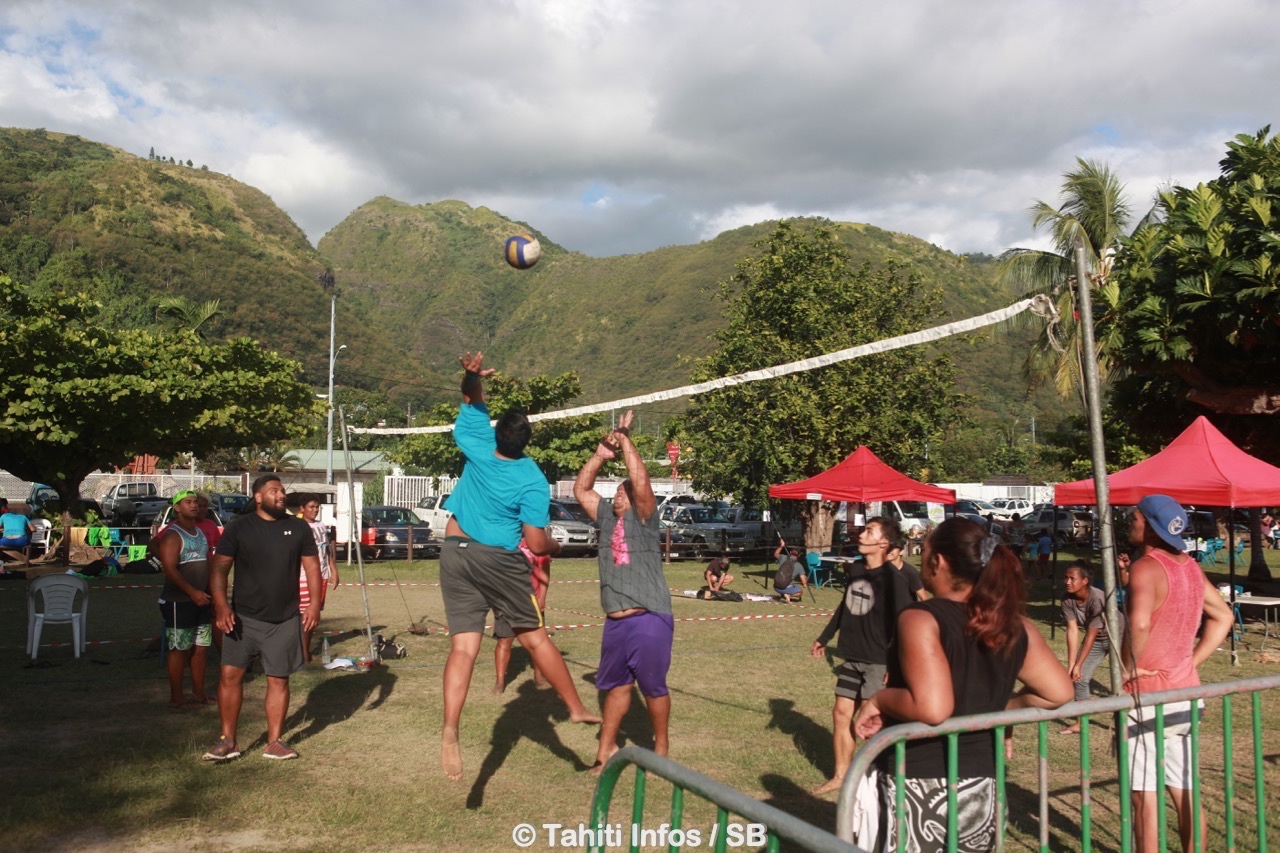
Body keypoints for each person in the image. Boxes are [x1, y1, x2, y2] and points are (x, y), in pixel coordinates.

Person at [854, 518, 1073, 851]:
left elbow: (933, 708)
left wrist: (880, 700)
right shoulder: (1017, 626)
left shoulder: (920, 617)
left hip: (917, 785)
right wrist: (1001, 711)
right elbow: (1058, 692)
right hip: (983, 787)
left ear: (937, 562)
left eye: (925, 552)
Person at [438, 352, 599, 781]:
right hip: (497, 558)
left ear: (497, 432)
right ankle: (577, 708)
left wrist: (472, 375)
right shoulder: (531, 478)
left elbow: (470, 398)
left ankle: (451, 726)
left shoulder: (475, 442)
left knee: (463, 649)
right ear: (525, 441)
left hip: (454, 550)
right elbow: (533, 542)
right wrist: (556, 547)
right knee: (536, 638)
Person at [1124, 495, 1234, 853]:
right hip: (1185, 695)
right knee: (1185, 789)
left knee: (1144, 797)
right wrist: (1191, 661)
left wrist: (1126, 669)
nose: (1130, 521)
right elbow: (1224, 616)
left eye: (1134, 517)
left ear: (1151, 527)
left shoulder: (1145, 566)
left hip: (1148, 697)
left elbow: (1139, 623)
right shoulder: (1188, 565)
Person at [574, 410, 674, 774]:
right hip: (615, 621)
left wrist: (625, 438)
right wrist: (600, 455)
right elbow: (580, 489)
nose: (616, 495)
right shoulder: (605, 517)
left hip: (648, 615)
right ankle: (605, 751)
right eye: (615, 492)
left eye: (622, 491)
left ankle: (661, 748)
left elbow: (640, 478)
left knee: (651, 688)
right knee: (615, 689)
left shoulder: (645, 518)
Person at [203, 475, 321, 762]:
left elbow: (313, 568)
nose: (281, 494)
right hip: (242, 617)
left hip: (284, 619)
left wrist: (315, 604)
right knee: (230, 676)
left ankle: (275, 742)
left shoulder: (298, 528)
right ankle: (228, 740)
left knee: (278, 679)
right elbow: (219, 569)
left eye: (282, 490)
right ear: (258, 497)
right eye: (273, 491)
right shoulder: (239, 527)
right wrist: (221, 606)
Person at [809, 516, 911, 795]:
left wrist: (896, 663)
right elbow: (845, 607)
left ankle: (876, 782)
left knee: (870, 723)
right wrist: (824, 638)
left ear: (883, 542)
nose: (862, 535)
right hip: (851, 656)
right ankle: (841, 776)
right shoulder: (854, 570)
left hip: (878, 660)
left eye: (869, 531)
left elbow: (905, 623)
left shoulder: (895, 580)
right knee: (841, 714)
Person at [155, 490, 215, 709]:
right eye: (188, 502)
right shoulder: (172, 534)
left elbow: (207, 565)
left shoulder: (200, 532)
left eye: (195, 503)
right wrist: (192, 592)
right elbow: (170, 569)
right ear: (177, 507)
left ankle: (199, 693)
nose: (194, 506)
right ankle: (176, 696)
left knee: (201, 647)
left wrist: (210, 595)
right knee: (179, 648)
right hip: (178, 601)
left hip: (202, 600)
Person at [1059, 559, 1117, 734]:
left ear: (1085, 580)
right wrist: (1072, 665)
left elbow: (1090, 635)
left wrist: (1078, 664)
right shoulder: (1067, 599)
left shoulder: (1097, 598)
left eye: (1072, 578)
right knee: (1080, 679)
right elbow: (1072, 630)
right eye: (1066, 578)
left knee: (1127, 680)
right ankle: (1081, 722)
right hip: (1098, 640)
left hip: (1119, 639)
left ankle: (1127, 722)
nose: (1067, 582)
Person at [493, 537, 552, 693]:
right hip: (506, 600)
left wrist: (542, 598)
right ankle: (499, 683)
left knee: (538, 643)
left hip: (531, 599)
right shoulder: (502, 542)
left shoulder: (537, 543)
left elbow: (544, 572)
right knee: (504, 641)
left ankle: (539, 678)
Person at [298, 493, 338, 662]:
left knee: (315, 616)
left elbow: (327, 550)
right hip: (303, 577)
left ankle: (305, 650)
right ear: (302, 509)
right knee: (305, 615)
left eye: (317, 507)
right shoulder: (299, 526)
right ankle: (301, 653)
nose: (315, 510)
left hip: (322, 575)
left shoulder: (321, 526)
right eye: (311, 507)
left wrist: (333, 571)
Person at [886, 537, 928, 601]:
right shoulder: (881, 570)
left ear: (901, 552)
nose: (889, 550)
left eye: (893, 548)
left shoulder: (910, 572)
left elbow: (923, 597)